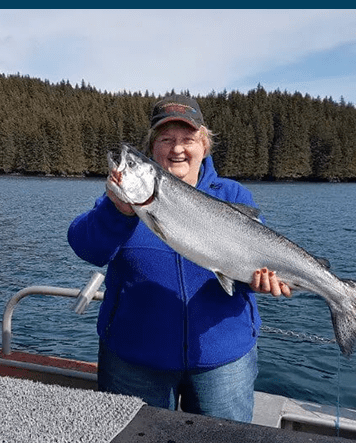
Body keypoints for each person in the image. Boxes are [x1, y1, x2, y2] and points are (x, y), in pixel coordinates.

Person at [68, 94, 291, 423]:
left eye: (188, 139)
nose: (177, 149)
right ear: (152, 147)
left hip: (223, 361)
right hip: (134, 359)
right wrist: (116, 212)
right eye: (166, 139)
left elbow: (256, 264)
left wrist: (261, 281)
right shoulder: (123, 199)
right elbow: (86, 247)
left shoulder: (234, 196)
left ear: (204, 145)